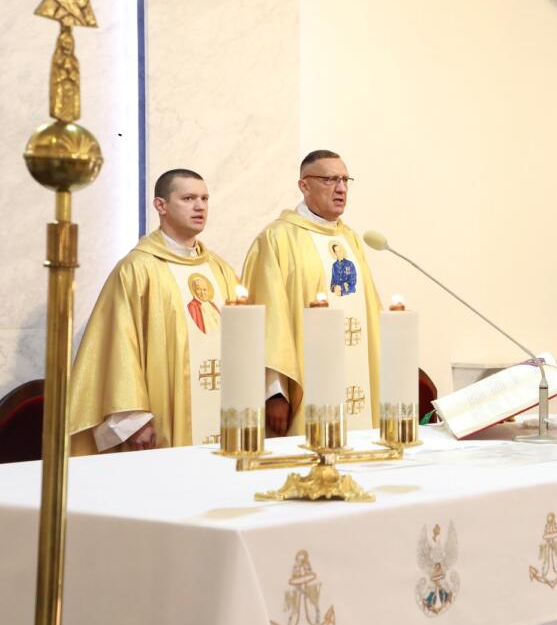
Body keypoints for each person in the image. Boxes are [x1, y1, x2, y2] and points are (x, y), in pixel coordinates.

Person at [68, 169, 239, 451]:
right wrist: (132, 419)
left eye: (204, 198)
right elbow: (118, 345)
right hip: (160, 421)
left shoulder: (219, 269)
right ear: (161, 205)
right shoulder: (138, 269)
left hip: (226, 411)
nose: (200, 206)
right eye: (188, 198)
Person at [241, 150, 383, 437]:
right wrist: (274, 392)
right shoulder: (278, 238)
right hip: (305, 381)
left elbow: (371, 311)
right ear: (304, 185)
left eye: (345, 180)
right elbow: (269, 317)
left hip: (357, 377)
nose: (341, 188)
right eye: (330, 179)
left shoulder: (350, 239)